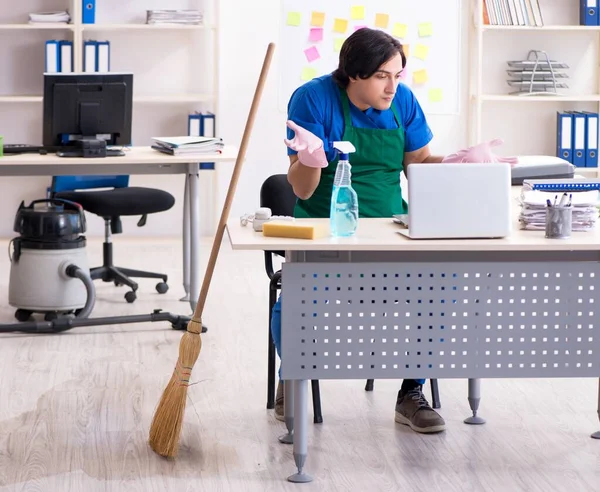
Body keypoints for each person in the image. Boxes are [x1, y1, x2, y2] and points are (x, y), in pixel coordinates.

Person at [271, 27, 515, 434]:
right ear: (354, 73)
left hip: (392, 230)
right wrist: (311, 158)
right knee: (292, 299)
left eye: (398, 75)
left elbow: (418, 163)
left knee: (445, 285)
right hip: (325, 232)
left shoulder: (402, 101)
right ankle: (291, 375)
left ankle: (410, 392)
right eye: (383, 76)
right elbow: (302, 189)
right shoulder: (313, 99)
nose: (393, 86)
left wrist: (460, 163)